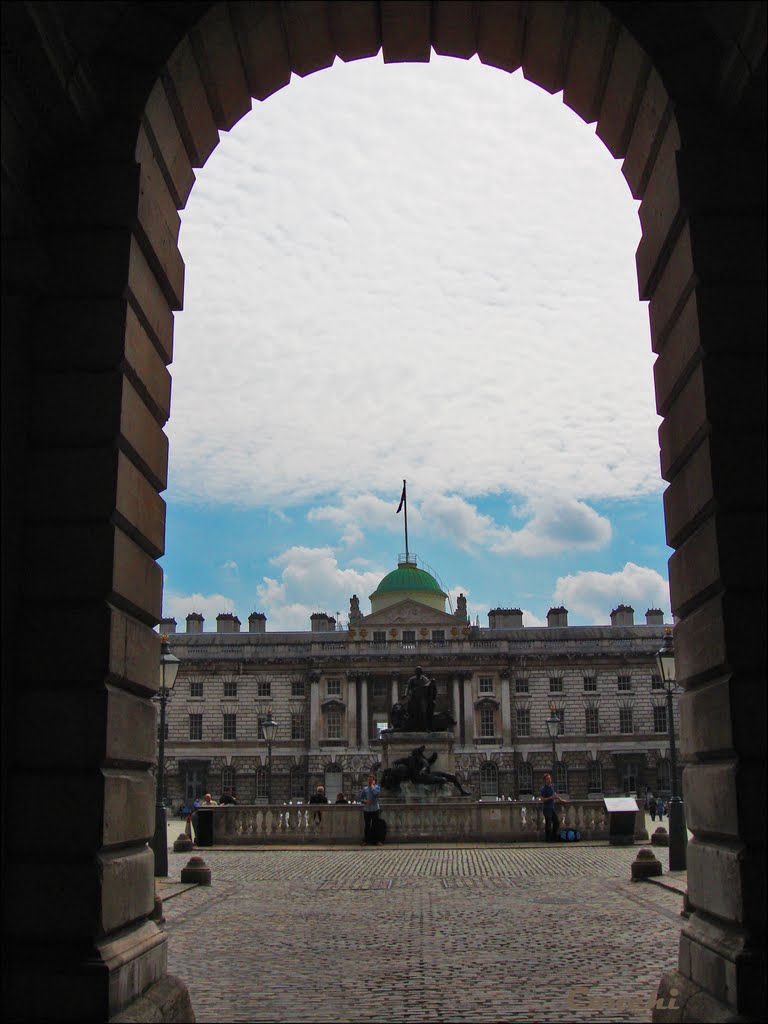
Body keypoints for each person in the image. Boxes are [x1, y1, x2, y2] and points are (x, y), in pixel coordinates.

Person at [405, 666, 437, 731]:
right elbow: (408, 688)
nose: (418, 673)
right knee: (408, 706)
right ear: (415, 672)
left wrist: (431, 683)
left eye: (419, 671)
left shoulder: (424, 679)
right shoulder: (412, 679)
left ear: (421, 672)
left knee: (424, 709)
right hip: (414, 696)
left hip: (422, 697)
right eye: (417, 672)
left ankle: (425, 726)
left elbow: (428, 686)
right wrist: (405, 694)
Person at [539, 772, 566, 842]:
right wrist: (551, 798)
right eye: (548, 778)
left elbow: (554, 794)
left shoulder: (551, 786)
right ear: (545, 780)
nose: (549, 780)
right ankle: (548, 839)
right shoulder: (543, 789)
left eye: (550, 778)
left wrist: (561, 799)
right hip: (547, 808)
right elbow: (542, 799)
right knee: (548, 823)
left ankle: (553, 837)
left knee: (556, 822)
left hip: (552, 807)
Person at [359, 773, 382, 845]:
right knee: (367, 826)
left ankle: (377, 841)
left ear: (373, 781)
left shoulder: (377, 788)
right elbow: (361, 798)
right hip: (367, 809)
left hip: (375, 809)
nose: (369, 781)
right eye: (368, 780)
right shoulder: (365, 789)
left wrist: (372, 786)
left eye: (371, 780)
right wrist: (365, 801)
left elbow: (376, 794)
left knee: (376, 825)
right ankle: (366, 841)